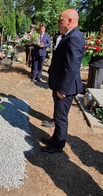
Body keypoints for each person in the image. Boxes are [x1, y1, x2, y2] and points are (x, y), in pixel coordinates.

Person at [42, 9, 85, 153]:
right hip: (60, 84)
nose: (58, 24)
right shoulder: (69, 35)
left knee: (61, 117)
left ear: (70, 21)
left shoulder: (75, 37)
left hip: (66, 87)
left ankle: (58, 145)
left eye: (61, 21)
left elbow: (71, 67)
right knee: (58, 114)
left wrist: (63, 89)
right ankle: (54, 139)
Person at [86, 21, 103, 89]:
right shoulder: (99, 35)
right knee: (90, 82)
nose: (101, 28)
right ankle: (88, 97)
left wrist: (97, 51)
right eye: (101, 26)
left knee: (96, 83)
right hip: (93, 62)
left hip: (101, 63)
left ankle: (93, 98)